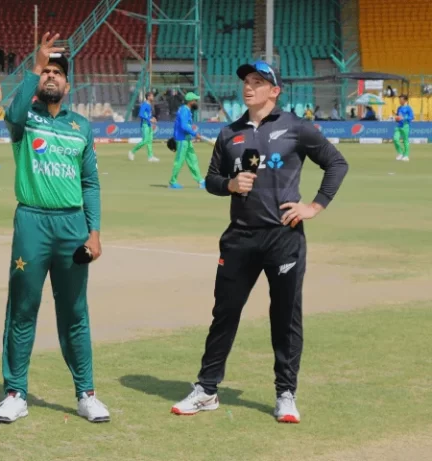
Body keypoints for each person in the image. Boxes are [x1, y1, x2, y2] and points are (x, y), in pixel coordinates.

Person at [170, 60, 348, 424]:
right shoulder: (228, 133)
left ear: (274, 90)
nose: (248, 87)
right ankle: (207, 390)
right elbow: (211, 179)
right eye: (246, 82)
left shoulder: (295, 127)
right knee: (224, 315)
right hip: (239, 239)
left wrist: (314, 206)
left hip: (284, 238)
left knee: (285, 316)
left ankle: (286, 393)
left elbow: (336, 163)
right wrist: (230, 185)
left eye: (257, 81)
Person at [0, 32, 110, 425]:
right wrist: (35, 62)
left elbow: (90, 183)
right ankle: (15, 393)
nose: (51, 77)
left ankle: (86, 393)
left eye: (57, 73)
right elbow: (11, 113)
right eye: (46, 72)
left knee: (75, 312)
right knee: (23, 308)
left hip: (73, 226)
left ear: (68, 84)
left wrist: (93, 232)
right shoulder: (25, 121)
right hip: (32, 222)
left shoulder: (81, 127)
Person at [168, 92, 205, 189]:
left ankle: (200, 181)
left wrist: (192, 133)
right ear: (191, 101)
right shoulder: (184, 110)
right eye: (195, 100)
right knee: (179, 161)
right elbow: (183, 126)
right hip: (181, 140)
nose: (196, 102)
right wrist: (195, 134)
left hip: (186, 139)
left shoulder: (186, 110)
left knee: (193, 160)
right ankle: (173, 182)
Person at [127, 91, 159, 162]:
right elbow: (141, 114)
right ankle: (132, 151)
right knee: (145, 141)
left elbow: (148, 114)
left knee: (149, 141)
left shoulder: (149, 105)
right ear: (148, 97)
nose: (153, 97)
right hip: (145, 125)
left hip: (149, 125)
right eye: (151, 96)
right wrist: (149, 119)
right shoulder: (144, 105)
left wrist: (152, 118)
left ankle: (150, 157)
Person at [393, 95, 413, 162]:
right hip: (399, 125)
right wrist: (396, 118)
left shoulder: (408, 108)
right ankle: (400, 153)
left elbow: (411, 117)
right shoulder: (399, 108)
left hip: (405, 126)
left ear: (405, 100)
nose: (399, 101)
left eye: (401, 99)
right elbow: (398, 116)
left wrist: (404, 118)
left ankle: (406, 155)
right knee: (395, 139)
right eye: (399, 99)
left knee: (405, 141)